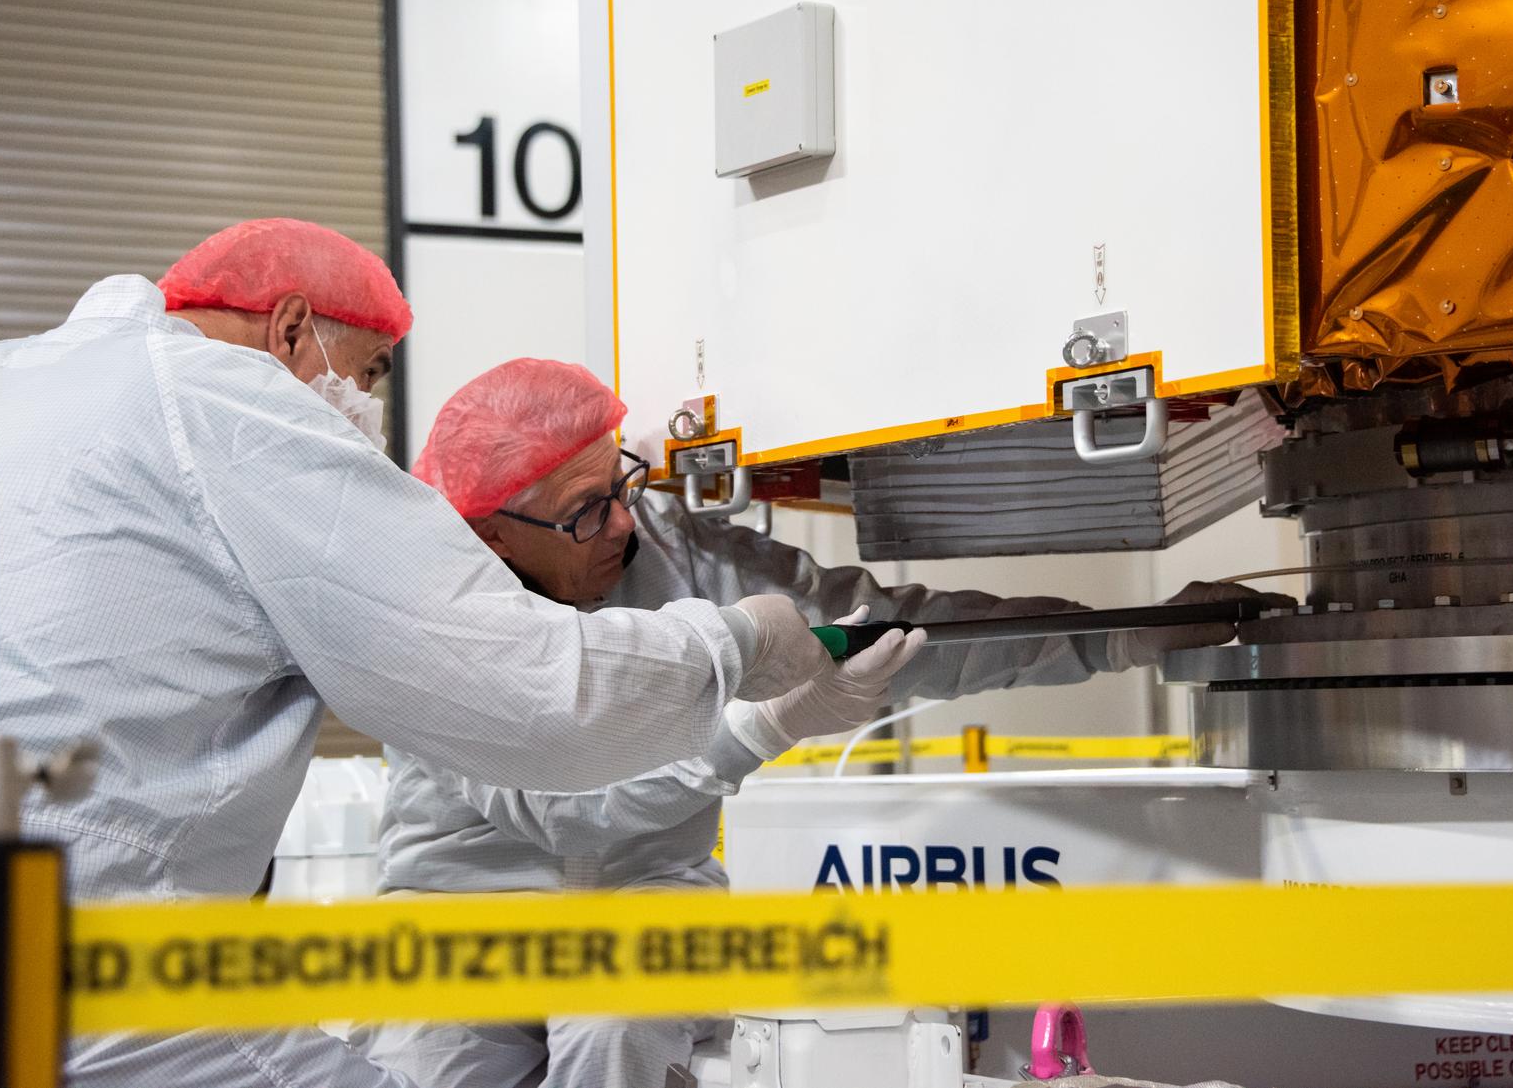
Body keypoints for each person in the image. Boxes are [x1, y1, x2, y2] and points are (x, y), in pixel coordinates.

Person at [0, 219, 836, 1087]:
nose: (364, 409)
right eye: (362, 375)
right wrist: (741, 646)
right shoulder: (230, 405)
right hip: (85, 965)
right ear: (287, 330)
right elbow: (524, 697)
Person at [355, 358, 1270, 1088]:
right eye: (585, 511)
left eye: (622, 484)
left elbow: (895, 629)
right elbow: (570, 811)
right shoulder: (428, 621)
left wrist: (1112, 639)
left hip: (648, 896)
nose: (622, 525)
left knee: (614, 1020)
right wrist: (765, 724)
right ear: (490, 535)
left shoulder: (679, 551)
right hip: (460, 916)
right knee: (431, 1062)